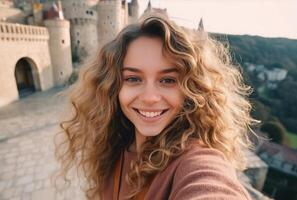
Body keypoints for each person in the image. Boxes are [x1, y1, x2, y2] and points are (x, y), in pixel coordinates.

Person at [56, 12, 256, 200]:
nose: (150, 97)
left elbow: (211, 185)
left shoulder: (194, 161)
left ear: (192, 90)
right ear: (112, 87)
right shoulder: (116, 144)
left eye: (168, 80)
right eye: (133, 78)